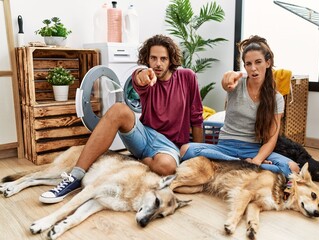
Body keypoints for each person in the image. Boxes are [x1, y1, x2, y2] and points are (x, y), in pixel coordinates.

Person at [39, 34, 204, 203]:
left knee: (167, 166)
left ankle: (138, 161)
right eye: (153, 58)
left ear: (171, 60)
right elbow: (139, 78)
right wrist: (143, 76)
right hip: (144, 136)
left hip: (169, 146)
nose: (158, 64)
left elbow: (196, 118)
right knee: (119, 109)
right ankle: (74, 177)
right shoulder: (146, 76)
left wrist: (197, 159)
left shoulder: (187, 77)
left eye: (163, 59)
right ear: (147, 59)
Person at [180, 35, 299, 178]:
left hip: (253, 150)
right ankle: (244, 165)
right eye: (248, 64)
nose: (253, 68)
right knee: (185, 150)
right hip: (224, 147)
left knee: (293, 168)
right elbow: (227, 80)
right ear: (244, 67)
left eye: (258, 62)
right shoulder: (236, 83)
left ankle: (234, 166)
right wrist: (230, 75)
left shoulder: (276, 98)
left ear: (268, 63)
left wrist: (257, 160)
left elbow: (272, 138)